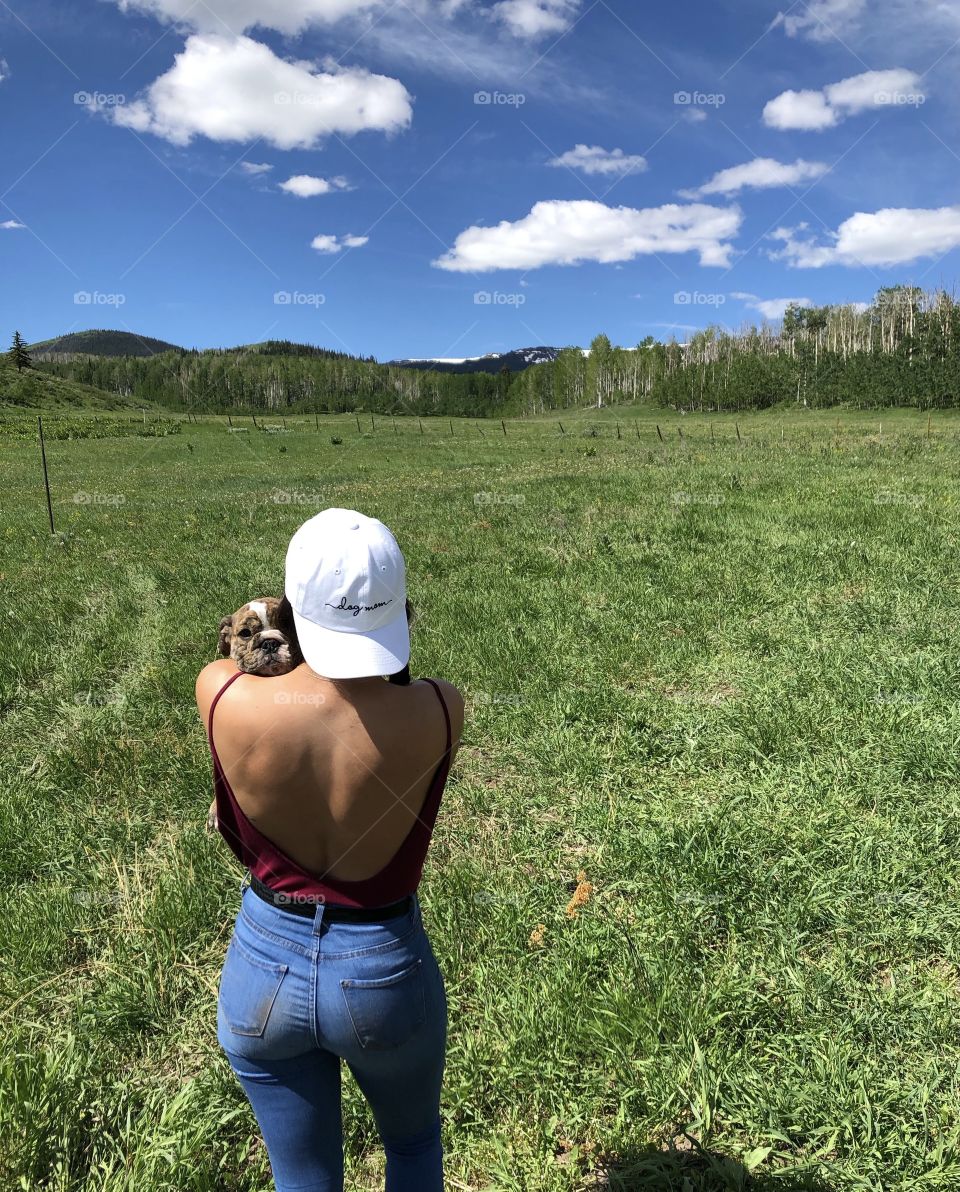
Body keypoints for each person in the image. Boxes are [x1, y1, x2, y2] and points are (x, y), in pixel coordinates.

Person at [195, 507, 464, 1192]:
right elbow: (390, 681)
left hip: (264, 962)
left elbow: (242, 665)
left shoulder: (219, 695)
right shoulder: (441, 708)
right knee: (411, 1147)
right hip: (381, 963)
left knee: (302, 1176)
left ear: (295, 608)